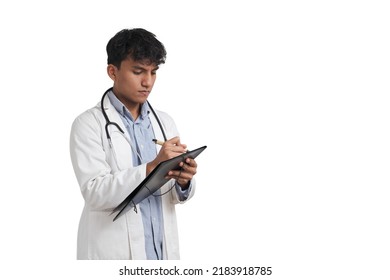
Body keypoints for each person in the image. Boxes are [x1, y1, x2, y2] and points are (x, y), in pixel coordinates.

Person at [69, 28, 198, 260]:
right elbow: (94, 192)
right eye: (138, 71)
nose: (147, 82)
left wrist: (184, 180)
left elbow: (171, 196)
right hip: (113, 255)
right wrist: (153, 167)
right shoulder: (88, 124)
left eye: (153, 72)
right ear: (112, 71)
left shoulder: (165, 123)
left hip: (161, 255)